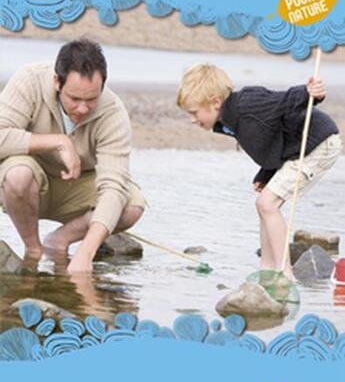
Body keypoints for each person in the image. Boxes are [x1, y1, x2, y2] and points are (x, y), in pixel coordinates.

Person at [177, 63, 342, 279]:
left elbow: (284, 102)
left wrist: (308, 92)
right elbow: (271, 137)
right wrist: (265, 174)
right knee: (264, 203)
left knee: (267, 203)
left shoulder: (248, 103)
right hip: (294, 149)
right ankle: (267, 269)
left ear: (215, 102)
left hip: (318, 144)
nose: (191, 119)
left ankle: (284, 273)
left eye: (194, 112)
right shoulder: (227, 120)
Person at [0, 39, 145, 273]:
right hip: (30, 182)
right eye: (74, 99)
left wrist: (85, 253)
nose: (83, 109)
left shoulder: (113, 112)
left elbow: (114, 185)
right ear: (57, 82)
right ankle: (33, 248)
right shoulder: (29, 79)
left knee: (131, 204)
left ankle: (57, 241)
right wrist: (59, 142)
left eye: (91, 99)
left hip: (77, 189)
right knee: (18, 175)